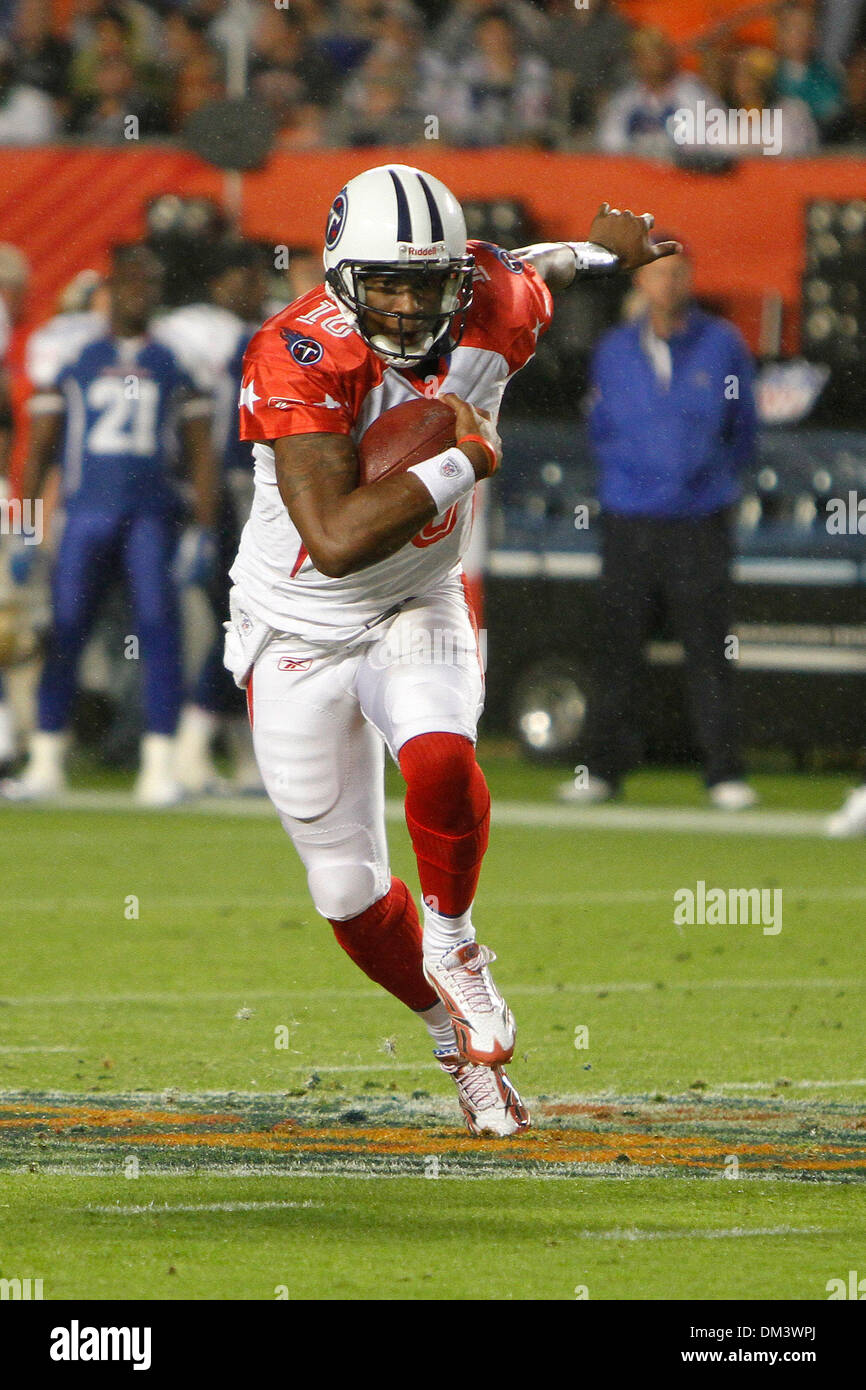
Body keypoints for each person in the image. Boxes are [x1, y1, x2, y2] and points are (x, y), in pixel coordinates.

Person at [224, 162, 676, 1136]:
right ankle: (447, 1039)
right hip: (296, 624)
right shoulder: (295, 351)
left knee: (439, 751)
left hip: (418, 597)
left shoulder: (497, 299)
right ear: (340, 275)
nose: (399, 303)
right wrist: (463, 456)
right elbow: (337, 541)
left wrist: (602, 248)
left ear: (457, 282)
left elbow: (527, 261)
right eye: (380, 281)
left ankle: (457, 943)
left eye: (420, 283)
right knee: (343, 889)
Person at [2, 244, 216, 807]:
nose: (139, 296)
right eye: (129, 285)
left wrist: (203, 528)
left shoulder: (175, 360)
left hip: (152, 515)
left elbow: (200, 454)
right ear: (109, 293)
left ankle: (159, 764)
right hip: (86, 514)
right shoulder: (76, 357)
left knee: (159, 632)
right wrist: (23, 527)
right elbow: (39, 452)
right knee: (66, 629)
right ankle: (47, 757)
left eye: (149, 286)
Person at [559, 239, 759, 812]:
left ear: (690, 279)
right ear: (639, 283)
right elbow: (599, 428)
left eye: (676, 273)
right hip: (629, 521)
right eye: (657, 273)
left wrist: (708, 479)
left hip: (699, 521)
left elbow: (744, 428)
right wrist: (631, 479)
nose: (667, 283)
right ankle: (600, 770)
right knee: (616, 650)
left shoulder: (722, 345)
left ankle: (724, 773)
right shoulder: (615, 349)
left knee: (709, 651)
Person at [154, 242, 271, 795]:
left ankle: (242, 757)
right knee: (243, 622)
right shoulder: (221, 335)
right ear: (223, 281)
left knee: (247, 626)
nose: (257, 290)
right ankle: (190, 749)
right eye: (248, 278)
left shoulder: (233, 333)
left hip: (224, 490)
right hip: (225, 491)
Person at [597, 27, 721, 158]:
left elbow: (699, 144)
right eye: (644, 56)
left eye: (657, 53)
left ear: (668, 56)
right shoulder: (625, 99)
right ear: (635, 62)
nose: (653, 61)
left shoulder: (691, 91)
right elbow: (610, 143)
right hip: (636, 172)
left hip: (681, 172)